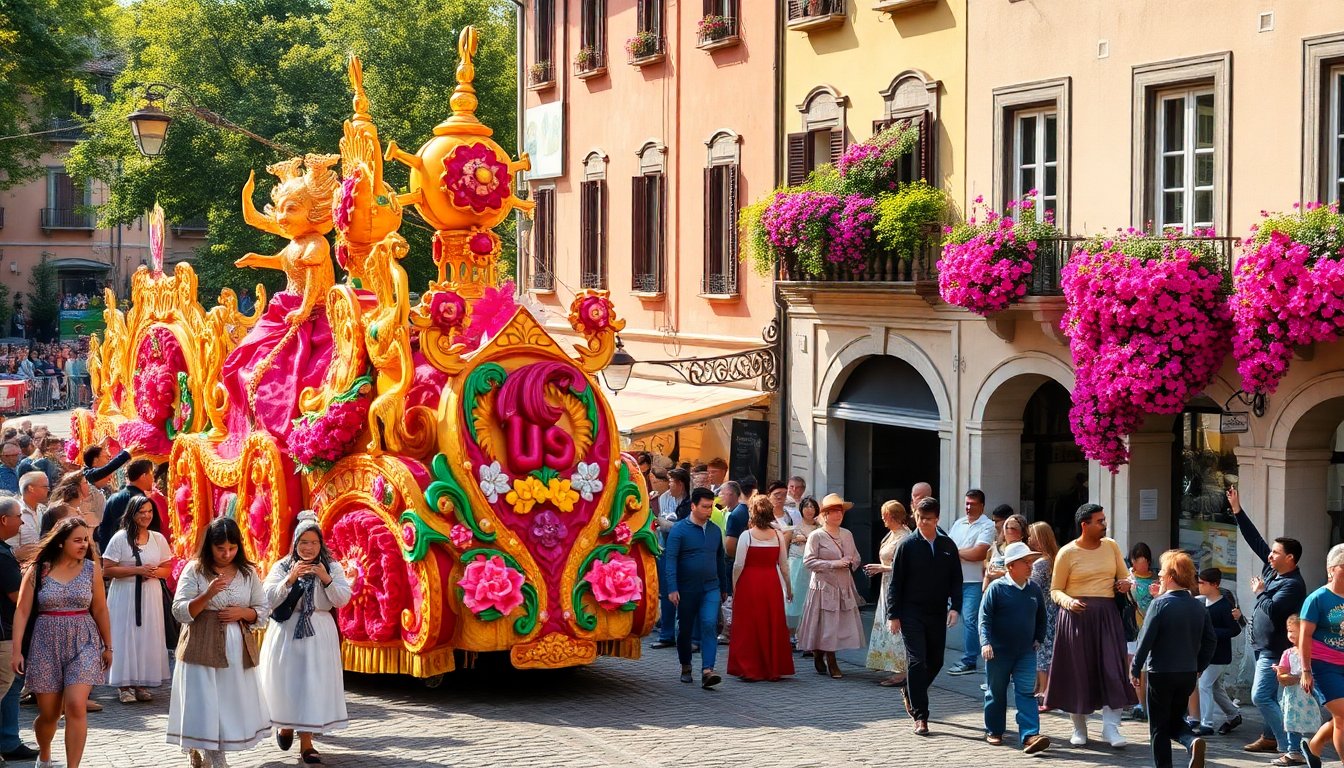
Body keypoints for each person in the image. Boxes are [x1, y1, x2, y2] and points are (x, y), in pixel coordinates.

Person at [167, 517, 271, 767]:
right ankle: (213, 755)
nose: (226, 554)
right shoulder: (194, 570)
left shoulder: (247, 573)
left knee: (226, 701)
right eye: (220, 548)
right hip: (200, 644)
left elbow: (263, 609)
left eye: (232, 548)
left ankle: (213, 749)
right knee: (204, 700)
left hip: (235, 646)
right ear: (209, 547)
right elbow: (179, 610)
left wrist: (244, 613)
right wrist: (207, 595)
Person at [10, 517, 113, 768]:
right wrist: (16, 651)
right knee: (50, 715)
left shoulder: (91, 570)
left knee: (76, 706)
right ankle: (44, 753)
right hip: (45, 642)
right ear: (60, 543)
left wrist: (108, 646)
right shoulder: (39, 569)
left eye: (86, 539)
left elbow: (100, 608)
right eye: (77, 540)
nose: (83, 544)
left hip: (84, 639)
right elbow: (22, 611)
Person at [259, 511, 352, 764]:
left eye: (314, 542)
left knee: (312, 684)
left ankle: (307, 743)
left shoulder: (331, 566)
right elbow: (267, 598)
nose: (308, 548)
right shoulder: (282, 565)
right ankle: (285, 724)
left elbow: (342, 599)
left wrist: (325, 578)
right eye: (303, 542)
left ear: (321, 544)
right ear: (295, 543)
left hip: (318, 633)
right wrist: (290, 579)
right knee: (287, 682)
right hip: (287, 632)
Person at [1045, 503, 1137, 747]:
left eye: (1104, 520)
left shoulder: (1111, 546)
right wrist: (1069, 602)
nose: (1104, 524)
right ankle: (1079, 727)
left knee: (1113, 671)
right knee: (1078, 672)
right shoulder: (1067, 552)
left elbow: (1124, 576)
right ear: (1084, 525)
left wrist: (1126, 584)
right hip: (1076, 617)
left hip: (1107, 615)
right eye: (1100, 521)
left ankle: (1111, 729)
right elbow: (1055, 590)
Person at [1228, 486, 1308, 758]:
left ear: (1290, 558)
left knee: (1261, 696)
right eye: (1271, 552)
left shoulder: (1294, 585)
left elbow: (1273, 611)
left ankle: (1290, 746)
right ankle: (1269, 737)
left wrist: (1261, 592)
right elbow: (1255, 540)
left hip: (1275, 649)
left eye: (1276, 553)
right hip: (1261, 644)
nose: (1270, 555)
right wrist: (1237, 510)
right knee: (1272, 697)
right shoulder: (1273, 568)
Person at [1130, 549, 1216, 768]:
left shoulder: (1159, 604)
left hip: (1161, 672)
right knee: (1176, 721)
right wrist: (1199, 666)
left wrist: (1135, 667)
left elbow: (1145, 640)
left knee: (1158, 728)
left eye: (1161, 575)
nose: (1159, 577)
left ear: (1170, 576)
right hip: (1187, 674)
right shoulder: (1199, 606)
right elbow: (1210, 641)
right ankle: (1192, 740)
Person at [887, 497, 961, 736]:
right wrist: (893, 615)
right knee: (917, 661)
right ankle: (921, 717)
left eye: (928, 519)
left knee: (936, 661)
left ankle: (911, 690)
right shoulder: (907, 546)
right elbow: (895, 582)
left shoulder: (948, 546)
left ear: (937, 519)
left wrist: (955, 607)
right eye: (919, 518)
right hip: (911, 612)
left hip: (937, 611)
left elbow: (955, 580)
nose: (923, 523)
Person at [979, 541, 1051, 754]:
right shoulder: (996, 589)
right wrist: (985, 643)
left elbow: (1042, 617)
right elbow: (984, 619)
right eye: (1026, 562)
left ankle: (1030, 735)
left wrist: (1039, 637)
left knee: (1027, 693)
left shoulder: (1034, 589)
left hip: (1026, 653)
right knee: (996, 693)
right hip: (998, 652)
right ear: (1011, 566)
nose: (1031, 566)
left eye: (1031, 562)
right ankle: (994, 730)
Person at [101, 495, 171, 704]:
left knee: (146, 636)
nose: (146, 516)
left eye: (149, 511)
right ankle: (124, 685)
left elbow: (167, 570)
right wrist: (137, 570)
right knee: (124, 635)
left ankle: (140, 682)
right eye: (142, 512)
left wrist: (154, 572)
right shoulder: (120, 538)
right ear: (132, 514)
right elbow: (108, 569)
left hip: (150, 595)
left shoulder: (158, 539)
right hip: (125, 594)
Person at [664, 488, 729, 690]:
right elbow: (670, 560)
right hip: (685, 589)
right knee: (684, 630)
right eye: (705, 507)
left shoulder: (714, 531)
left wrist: (724, 587)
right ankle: (686, 666)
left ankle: (708, 670)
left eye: (711, 507)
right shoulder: (679, 530)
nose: (709, 511)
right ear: (693, 506)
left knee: (709, 624)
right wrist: (672, 588)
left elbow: (720, 560)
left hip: (710, 587)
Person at [796, 493, 864, 680]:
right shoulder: (816, 536)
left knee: (838, 624)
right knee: (826, 623)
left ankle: (822, 652)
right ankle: (829, 658)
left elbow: (856, 557)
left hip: (843, 585)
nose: (838, 515)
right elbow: (809, 561)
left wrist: (851, 562)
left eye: (840, 511)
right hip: (823, 585)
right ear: (825, 515)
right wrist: (833, 564)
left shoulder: (847, 534)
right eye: (834, 511)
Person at [726, 496, 794, 682]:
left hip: (749, 582)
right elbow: (784, 565)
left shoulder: (746, 536)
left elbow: (738, 565)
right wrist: (788, 587)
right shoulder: (778, 535)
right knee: (771, 622)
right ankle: (772, 667)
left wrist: (735, 585)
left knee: (749, 624)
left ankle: (750, 668)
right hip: (771, 582)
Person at [1299, 543, 1344, 768]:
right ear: (1331, 569)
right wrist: (1306, 671)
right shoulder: (1317, 598)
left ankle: (1313, 748)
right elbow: (1304, 637)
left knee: (1341, 717)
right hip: (1324, 665)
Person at [0, 498, 38, 762]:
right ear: (4, 520)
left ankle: (9, 741)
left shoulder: (5, 553)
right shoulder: (2, 556)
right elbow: (17, 596)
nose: (21, 522)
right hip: (4, 633)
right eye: (18, 516)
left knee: (10, 689)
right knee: (6, 687)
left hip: (6, 631)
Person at [947, 489, 995, 677]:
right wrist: (962, 552)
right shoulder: (959, 523)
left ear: (982, 506)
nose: (968, 507)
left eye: (972, 504)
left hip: (974, 581)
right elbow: (946, 550)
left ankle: (969, 660)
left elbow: (979, 553)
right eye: (966, 503)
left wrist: (955, 552)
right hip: (953, 580)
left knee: (970, 620)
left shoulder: (987, 526)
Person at [864, 500, 910, 686]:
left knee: (896, 624)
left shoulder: (905, 537)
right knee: (886, 623)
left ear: (892, 516)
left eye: (885, 514)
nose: (882, 518)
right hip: (886, 585)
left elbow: (905, 568)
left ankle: (903, 671)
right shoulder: (891, 534)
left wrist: (881, 568)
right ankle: (889, 663)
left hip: (897, 585)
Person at [1194, 568, 1242, 736]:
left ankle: (1206, 723)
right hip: (1207, 654)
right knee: (1215, 688)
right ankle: (1233, 715)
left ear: (1215, 584)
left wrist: (1211, 632)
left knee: (1204, 684)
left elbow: (1234, 630)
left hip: (1219, 655)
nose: (1199, 586)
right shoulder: (1201, 602)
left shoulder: (1223, 606)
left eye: (1202, 583)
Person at [650, 468, 690, 650]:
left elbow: (684, 527)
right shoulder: (665, 498)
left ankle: (684, 633)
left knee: (686, 594)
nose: (669, 484)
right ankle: (667, 634)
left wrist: (664, 523)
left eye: (671, 481)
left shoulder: (690, 502)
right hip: (667, 550)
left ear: (680, 484)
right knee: (667, 593)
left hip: (685, 552)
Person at [1281, 615, 1326, 768]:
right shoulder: (1288, 653)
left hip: (1309, 694)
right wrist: (1283, 674)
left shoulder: (1315, 651)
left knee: (1311, 721)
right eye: (1289, 631)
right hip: (1293, 695)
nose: (1291, 635)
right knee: (1292, 722)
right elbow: (1283, 673)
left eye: (1295, 631)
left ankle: (1310, 748)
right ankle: (1293, 750)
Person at [1027, 521, 1060, 713]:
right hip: (1054, 610)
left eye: (1032, 536)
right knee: (1049, 650)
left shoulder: (1040, 563)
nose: (1029, 539)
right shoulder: (1054, 559)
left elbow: (1033, 586)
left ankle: (1044, 691)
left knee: (1043, 651)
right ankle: (1046, 690)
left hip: (1043, 611)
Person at [96, 459, 159, 552]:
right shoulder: (144, 502)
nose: (153, 479)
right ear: (143, 476)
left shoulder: (113, 497)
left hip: (113, 554)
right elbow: (152, 532)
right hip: (137, 556)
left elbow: (104, 529)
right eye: (151, 474)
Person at [1128, 541, 1158, 722]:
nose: (1140, 565)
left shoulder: (1156, 579)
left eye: (1144, 561)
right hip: (1134, 627)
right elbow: (1132, 599)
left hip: (1151, 626)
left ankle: (1148, 704)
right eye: (1137, 561)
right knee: (1135, 666)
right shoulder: (1129, 578)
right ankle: (1140, 704)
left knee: (1148, 667)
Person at [785, 496, 820, 646]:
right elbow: (785, 547)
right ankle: (790, 633)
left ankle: (805, 634)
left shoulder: (820, 529)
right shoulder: (794, 527)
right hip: (795, 565)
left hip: (812, 568)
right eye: (806, 506)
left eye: (812, 507)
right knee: (793, 600)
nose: (809, 510)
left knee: (809, 601)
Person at [983, 511, 1027, 589]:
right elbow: (987, 564)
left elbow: (1027, 575)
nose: (1007, 530)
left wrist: (1003, 574)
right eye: (1006, 527)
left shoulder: (1025, 551)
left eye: (1013, 528)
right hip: (994, 591)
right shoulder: (996, 548)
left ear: (1022, 533)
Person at [12, 472, 47, 562]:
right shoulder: (14, 513)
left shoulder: (43, 510)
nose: (48, 490)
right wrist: (17, 553)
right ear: (31, 488)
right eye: (45, 487)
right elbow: (8, 551)